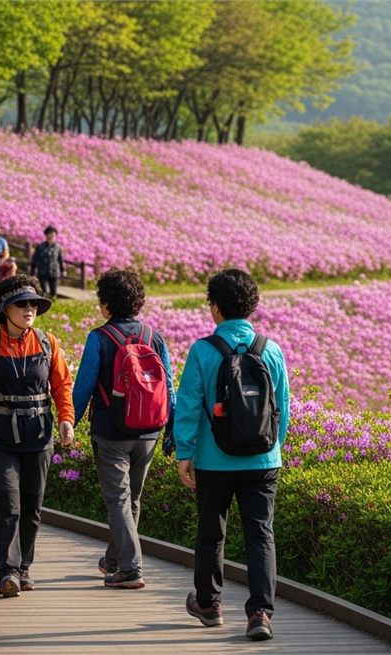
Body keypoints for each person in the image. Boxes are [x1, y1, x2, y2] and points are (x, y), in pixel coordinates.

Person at [174, 268, 290, 642]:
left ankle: (209, 604)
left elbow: (190, 405)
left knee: (211, 532)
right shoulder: (270, 350)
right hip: (263, 460)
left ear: (216, 307)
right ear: (252, 306)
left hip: (213, 460)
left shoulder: (203, 350)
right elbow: (282, 409)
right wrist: (273, 448)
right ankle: (260, 614)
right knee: (261, 535)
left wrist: (185, 452)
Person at [0, 275, 75, 597]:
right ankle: (7, 571)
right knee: (8, 503)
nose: (29, 309)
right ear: (6, 310)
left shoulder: (48, 343)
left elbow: (62, 385)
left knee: (32, 506)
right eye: (22, 304)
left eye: (33, 303)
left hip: (39, 437)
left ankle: (24, 568)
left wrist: (67, 419)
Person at [72, 269, 175, 590]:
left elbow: (83, 387)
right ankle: (114, 561)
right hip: (149, 432)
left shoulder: (99, 338)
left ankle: (130, 568)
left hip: (110, 431)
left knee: (118, 499)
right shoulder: (153, 337)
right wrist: (172, 430)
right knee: (132, 500)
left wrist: (67, 423)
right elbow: (169, 386)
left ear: (106, 305)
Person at [30, 226, 65, 300]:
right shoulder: (40, 247)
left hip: (54, 272)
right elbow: (35, 260)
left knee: (53, 292)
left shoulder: (57, 247)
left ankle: (54, 305)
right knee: (43, 291)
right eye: (51, 234)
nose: (52, 236)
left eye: (54, 235)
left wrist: (63, 270)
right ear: (46, 235)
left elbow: (60, 260)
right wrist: (32, 272)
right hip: (42, 272)